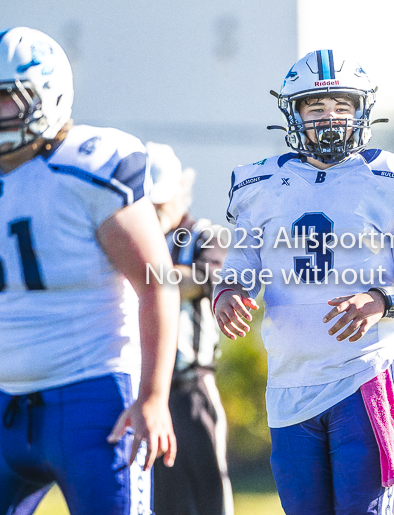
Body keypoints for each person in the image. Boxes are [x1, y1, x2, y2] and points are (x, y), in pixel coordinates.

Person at [214, 49, 394, 514]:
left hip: (365, 373)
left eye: (343, 107)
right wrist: (229, 295)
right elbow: (239, 267)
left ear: (362, 112)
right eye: (316, 108)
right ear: (293, 114)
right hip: (288, 380)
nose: (330, 119)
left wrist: (381, 300)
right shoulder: (257, 184)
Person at [0, 27, 179, 514]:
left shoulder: (89, 167)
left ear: (49, 96)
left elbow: (157, 283)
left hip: (93, 400)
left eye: (7, 100)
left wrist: (153, 396)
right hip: (3, 403)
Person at [146, 142, 234, 515]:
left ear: (183, 188)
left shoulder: (204, 234)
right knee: (160, 499)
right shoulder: (135, 238)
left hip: (191, 385)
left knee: (209, 496)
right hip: (148, 389)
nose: (153, 210)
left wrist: (146, 275)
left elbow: (206, 278)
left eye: (160, 201)